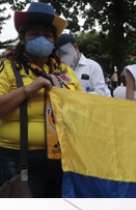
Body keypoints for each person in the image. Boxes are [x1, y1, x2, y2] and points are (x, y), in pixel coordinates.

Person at [0, 2, 81, 198]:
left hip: (60, 159)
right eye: (34, 34)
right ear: (23, 38)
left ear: (54, 40)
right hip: (15, 160)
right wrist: (31, 88)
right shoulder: (7, 67)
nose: (41, 39)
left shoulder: (65, 71)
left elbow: (82, 109)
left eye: (47, 35)